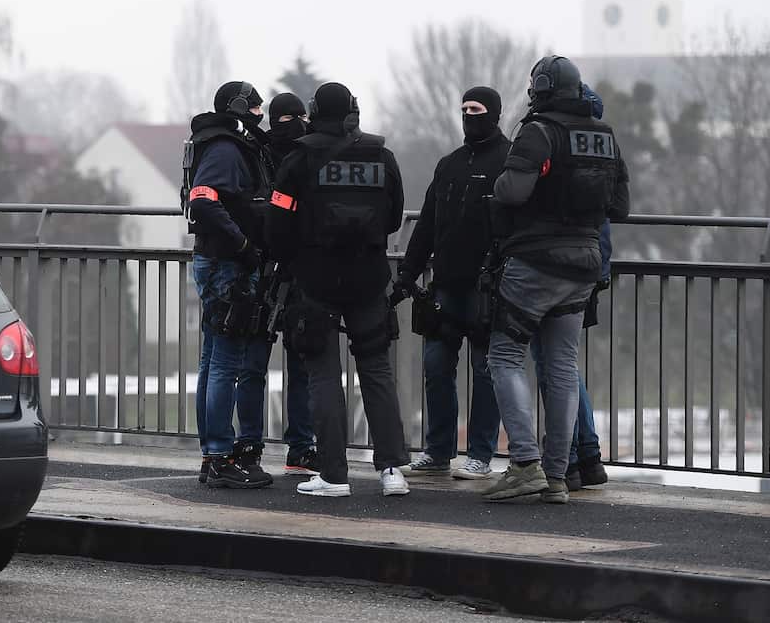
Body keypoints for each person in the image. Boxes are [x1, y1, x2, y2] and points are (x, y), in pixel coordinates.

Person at [483, 56, 629, 504]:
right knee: (564, 366)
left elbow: (512, 191)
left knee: (504, 356)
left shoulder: (539, 131)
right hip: (585, 262)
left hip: (536, 261)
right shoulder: (604, 136)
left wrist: (504, 181)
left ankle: (524, 463)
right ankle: (558, 476)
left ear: (540, 88)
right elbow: (619, 207)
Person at [266, 82, 411, 498]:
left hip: (315, 280)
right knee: (377, 371)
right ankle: (391, 471)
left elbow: (278, 224)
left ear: (313, 111)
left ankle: (333, 475)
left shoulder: (298, 159)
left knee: (323, 375)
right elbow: (393, 215)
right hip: (369, 277)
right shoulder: (381, 156)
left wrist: (294, 258)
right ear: (351, 111)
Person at [394, 86, 508, 481]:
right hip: (444, 287)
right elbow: (426, 223)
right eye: (463, 109)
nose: (468, 115)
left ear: (493, 113)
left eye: (475, 109)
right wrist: (407, 272)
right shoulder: (449, 164)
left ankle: (480, 454)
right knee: (436, 367)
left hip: (487, 289)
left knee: (486, 371)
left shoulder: (508, 161)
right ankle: (438, 450)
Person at [185, 80, 274, 489]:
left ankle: (212, 455)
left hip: (218, 261)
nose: (261, 115)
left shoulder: (218, 143)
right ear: (241, 108)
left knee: (212, 362)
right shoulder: (224, 148)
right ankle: (220, 456)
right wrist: (241, 244)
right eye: (256, 108)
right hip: (227, 266)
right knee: (224, 363)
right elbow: (203, 199)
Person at [260, 92, 319, 475]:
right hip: (285, 268)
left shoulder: (268, 151)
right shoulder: (303, 154)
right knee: (293, 363)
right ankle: (297, 446)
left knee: (294, 362)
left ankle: (296, 444)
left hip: (280, 266)